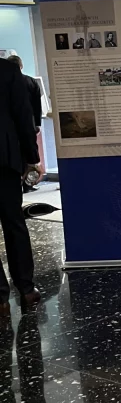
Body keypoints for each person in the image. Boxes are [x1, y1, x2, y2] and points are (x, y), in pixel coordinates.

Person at [0, 58, 41, 318]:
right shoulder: (7, 71)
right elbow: (23, 115)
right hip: (4, 159)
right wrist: (31, 158)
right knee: (14, 223)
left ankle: (0, 299)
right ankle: (26, 289)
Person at [8, 57, 42, 194]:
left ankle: (16, 183)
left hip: (12, 126)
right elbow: (37, 106)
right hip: (29, 123)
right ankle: (28, 183)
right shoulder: (31, 81)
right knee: (28, 154)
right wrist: (37, 123)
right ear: (21, 66)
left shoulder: (6, 84)